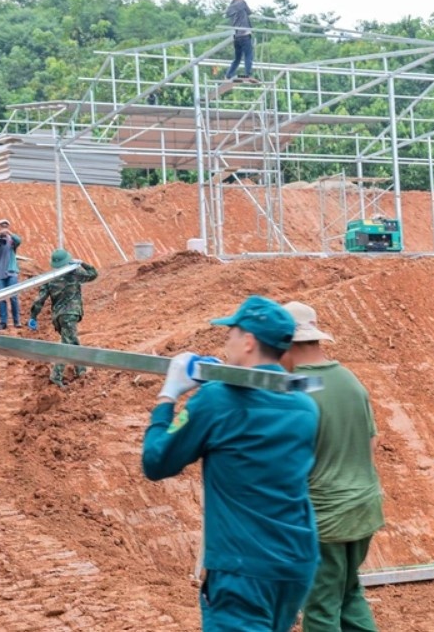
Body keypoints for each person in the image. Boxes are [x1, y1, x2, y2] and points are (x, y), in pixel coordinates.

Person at [142, 295, 320, 632]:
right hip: (295, 562)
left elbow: (156, 461)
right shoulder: (304, 406)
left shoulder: (217, 401)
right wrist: (221, 387)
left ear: (249, 341)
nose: (227, 342)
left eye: (232, 334)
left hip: (243, 568)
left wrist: (168, 396)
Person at [280, 301, 384, 632]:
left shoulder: (296, 390)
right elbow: (371, 444)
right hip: (363, 510)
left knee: (321, 607)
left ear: (285, 344)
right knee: (350, 593)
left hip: (325, 517)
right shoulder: (350, 380)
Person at [28, 249, 98, 386]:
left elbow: (39, 300)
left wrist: (33, 316)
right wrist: (82, 263)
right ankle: (56, 376)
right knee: (68, 346)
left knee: (72, 343)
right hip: (71, 314)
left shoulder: (49, 279)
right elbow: (93, 274)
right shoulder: (75, 273)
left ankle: (81, 371)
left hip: (59, 317)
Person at [224, 0, 255, 82]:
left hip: (236, 36)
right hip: (244, 34)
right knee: (248, 55)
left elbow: (227, 14)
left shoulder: (230, 7)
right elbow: (249, 12)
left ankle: (228, 75)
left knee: (237, 58)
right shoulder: (241, 2)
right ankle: (248, 75)